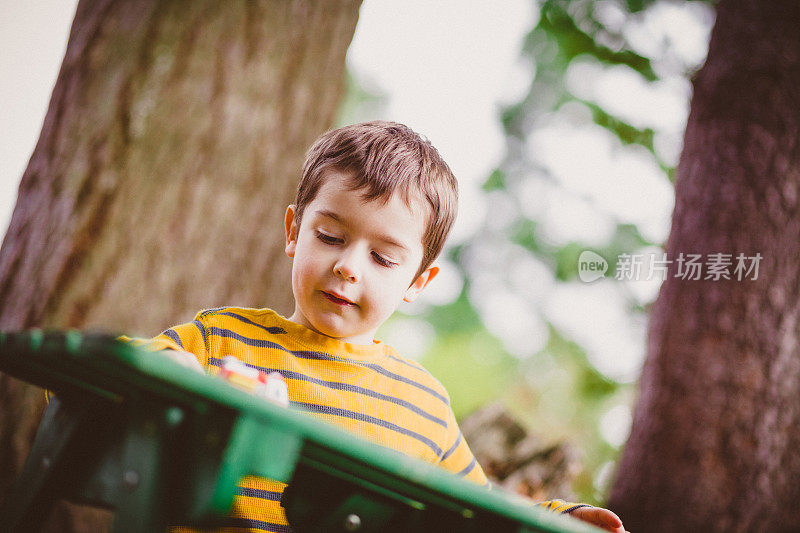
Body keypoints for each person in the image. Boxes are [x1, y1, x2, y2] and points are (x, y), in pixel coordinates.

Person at [139, 121, 626, 532]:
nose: (349, 266)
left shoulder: (422, 405)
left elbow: (481, 510)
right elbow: (79, 385)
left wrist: (566, 519)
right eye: (330, 236)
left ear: (418, 281)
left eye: (383, 258)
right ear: (294, 231)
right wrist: (164, 368)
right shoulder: (220, 339)